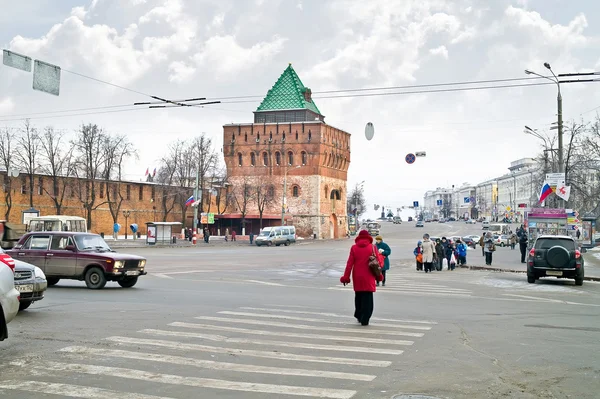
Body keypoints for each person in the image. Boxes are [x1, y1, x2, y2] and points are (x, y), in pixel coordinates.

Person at [340, 230, 383, 326]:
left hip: (357, 276)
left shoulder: (354, 248)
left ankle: (359, 315)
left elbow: (349, 264)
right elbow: (378, 263)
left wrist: (346, 277)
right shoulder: (372, 247)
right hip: (369, 276)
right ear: (368, 237)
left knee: (358, 296)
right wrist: (379, 276)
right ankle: (365, 319)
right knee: (368, 298)